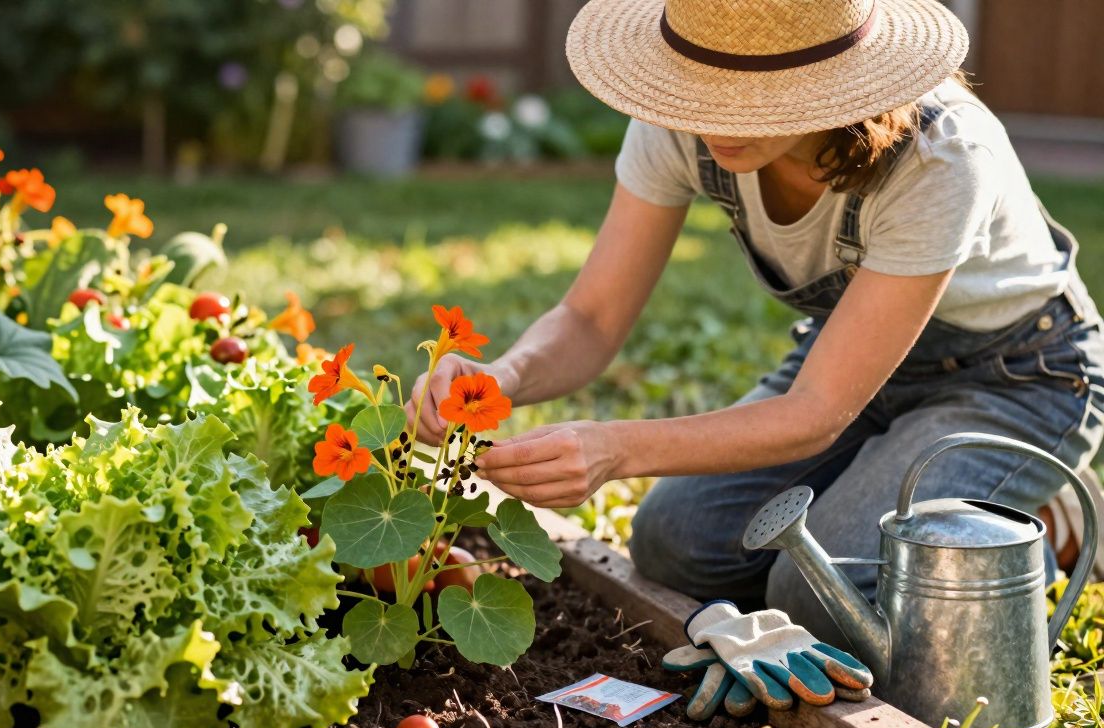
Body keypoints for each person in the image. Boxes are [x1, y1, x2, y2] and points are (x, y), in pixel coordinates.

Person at [404, 0, 1104, 646]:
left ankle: (1033, 533)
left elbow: (818, 411)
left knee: (816, 590)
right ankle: (901, 493)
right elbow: (590, 316)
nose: (714, 124)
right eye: (701, 88)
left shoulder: (942, 155)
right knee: (675, 541)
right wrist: (501, 379)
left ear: (839, 81)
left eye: (753, 100)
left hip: (1018, 379)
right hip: (849, 362)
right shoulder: (677, 116)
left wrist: (614, 447)